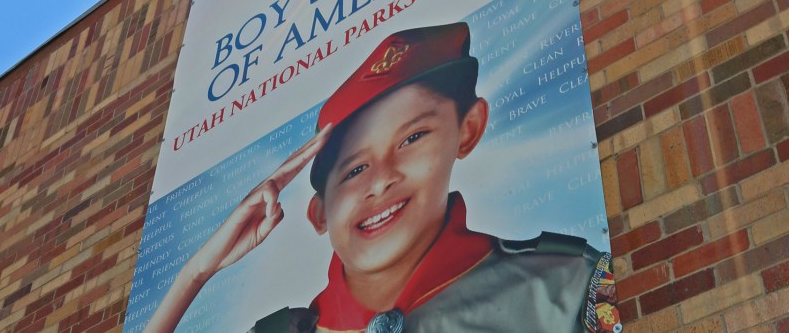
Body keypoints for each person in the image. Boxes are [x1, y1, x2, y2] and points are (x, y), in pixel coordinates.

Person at [146, 23, 621, 333]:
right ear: (318, 213)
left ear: (468, 130)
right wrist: (195, 273)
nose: (381, 181)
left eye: (413, 138)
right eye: (354, 169)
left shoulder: (566, 287)